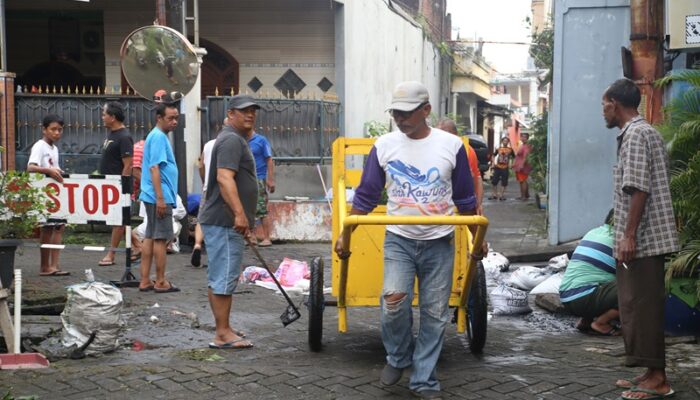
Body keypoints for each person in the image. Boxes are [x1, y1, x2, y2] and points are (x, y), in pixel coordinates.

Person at [334, 81, 478, 399]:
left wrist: (476, 238)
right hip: (399, 238)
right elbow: (368, 194)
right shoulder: (385, 146)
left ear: (426, 110)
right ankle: (399, 357)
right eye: (396, 113)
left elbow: (466, 199)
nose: (400, 120)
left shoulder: (451, 146)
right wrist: (347, 232)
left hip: (440, 240)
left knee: (435, 313)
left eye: (407, 114)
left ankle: (424, 379)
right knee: (394, 302)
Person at [602, 78, 679, 399]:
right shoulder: (641, 132)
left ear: (616, 104)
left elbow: (638, 188)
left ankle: (659, 379)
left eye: (604, 105)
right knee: (636, 305)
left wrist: (628, 236)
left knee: (643, 307)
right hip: (645, 237)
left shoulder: (635, 135)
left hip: (644, 239)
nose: (603, 111)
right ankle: (650, 372)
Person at [198, 95, 259, 349]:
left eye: (253, 111)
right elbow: (224, 178)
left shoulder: (231, 139)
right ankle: (222, 333)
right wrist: (239, 213)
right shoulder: (231, 139)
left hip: (223, 220)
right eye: (244, 111)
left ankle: (224, 328)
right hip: (224, 220)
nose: (250, 115)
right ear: (231, 113)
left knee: (221, 275)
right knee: (224, 277)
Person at [138, 103, 180, 293]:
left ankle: (145, 280)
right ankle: (161, 281)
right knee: (160, 239)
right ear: (159, 118)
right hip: (158, 195)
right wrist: (161, 199)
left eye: (176, 118)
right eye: (170, 118)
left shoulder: (157, 137)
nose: (174, 122)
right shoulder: (158, 137)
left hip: (153, 194)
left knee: (150, 236)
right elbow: (154, 167)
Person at [559, 211, 619, 336]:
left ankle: (586, 320)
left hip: (566, 297)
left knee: (597, 278)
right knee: (634, 287)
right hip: (583, 299)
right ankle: (601, 323)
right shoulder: (619, 241)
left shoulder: (593, 232)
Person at [27, 114, 68, 276]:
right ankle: (45, 266)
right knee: (47, 228)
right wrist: (48, 171)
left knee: (58, 226)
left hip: (54, 194)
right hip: (44, 192)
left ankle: (54, 265)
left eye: (59, 130)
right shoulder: (40, 146)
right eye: (53, 129)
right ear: (44, 130)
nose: (56, 133)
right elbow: (31, 167)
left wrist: (57, 172)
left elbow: (54, 168)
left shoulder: (54, 149)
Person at [98, 102, 133, 266]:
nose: (102, 117)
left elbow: (128, 164)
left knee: (117, 221)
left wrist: (121, 186)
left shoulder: (124, 137)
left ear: (112, 117)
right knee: (120, 220)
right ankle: (138, 245)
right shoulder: (111, 134)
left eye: (104, 114)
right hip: (108, 184)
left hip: (117, 186)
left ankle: (111, 254)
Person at [190, 119, 223, 268]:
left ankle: (197, 244)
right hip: (223, 188)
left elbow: (201, 165)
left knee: (202, 218)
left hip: (208, 188)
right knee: (220, 221)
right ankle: (216, 253)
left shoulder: (209, 144)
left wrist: (204, 181)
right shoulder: (231, 145)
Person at [436, 118, 484, 215]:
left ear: (454, 134)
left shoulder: (465, 150)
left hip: (458, 208)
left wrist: (478, 204)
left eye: (444, 134)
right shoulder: (435, 149)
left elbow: (476, 178)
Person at [246, 118, 275, 247]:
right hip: (246, 178)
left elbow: (269, 160)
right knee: (247, 209)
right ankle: (251, 236)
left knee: (261, 208)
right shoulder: (241, 141)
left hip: (259, 178)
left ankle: (267, 237)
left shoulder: (261, 141)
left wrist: (270, 179)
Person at [489, 136, 514, 201]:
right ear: (502, 141)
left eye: (506, 141)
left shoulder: (510, 150)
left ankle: (501, 195)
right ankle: (494, 194)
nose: (505, 142)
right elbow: (493, 155)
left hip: (505, 167)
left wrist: (512, 164)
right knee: (494, 181)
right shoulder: (499, 149)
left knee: (504, 182)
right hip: (498, 167)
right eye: (504, 141)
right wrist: (493, 163)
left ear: (508, 142)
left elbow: (514, 157)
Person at [513, 132, 533, 201]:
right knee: (522, 181)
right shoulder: (522, 145)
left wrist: (521, 165)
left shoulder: (527, 146)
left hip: (523, 166)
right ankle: (526, 195)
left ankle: (523, 196)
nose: (523, 138)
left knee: (523, 181)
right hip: (520, 166)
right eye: (522, 137)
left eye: (525, 137)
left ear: (527, 138)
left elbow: (525, 156)